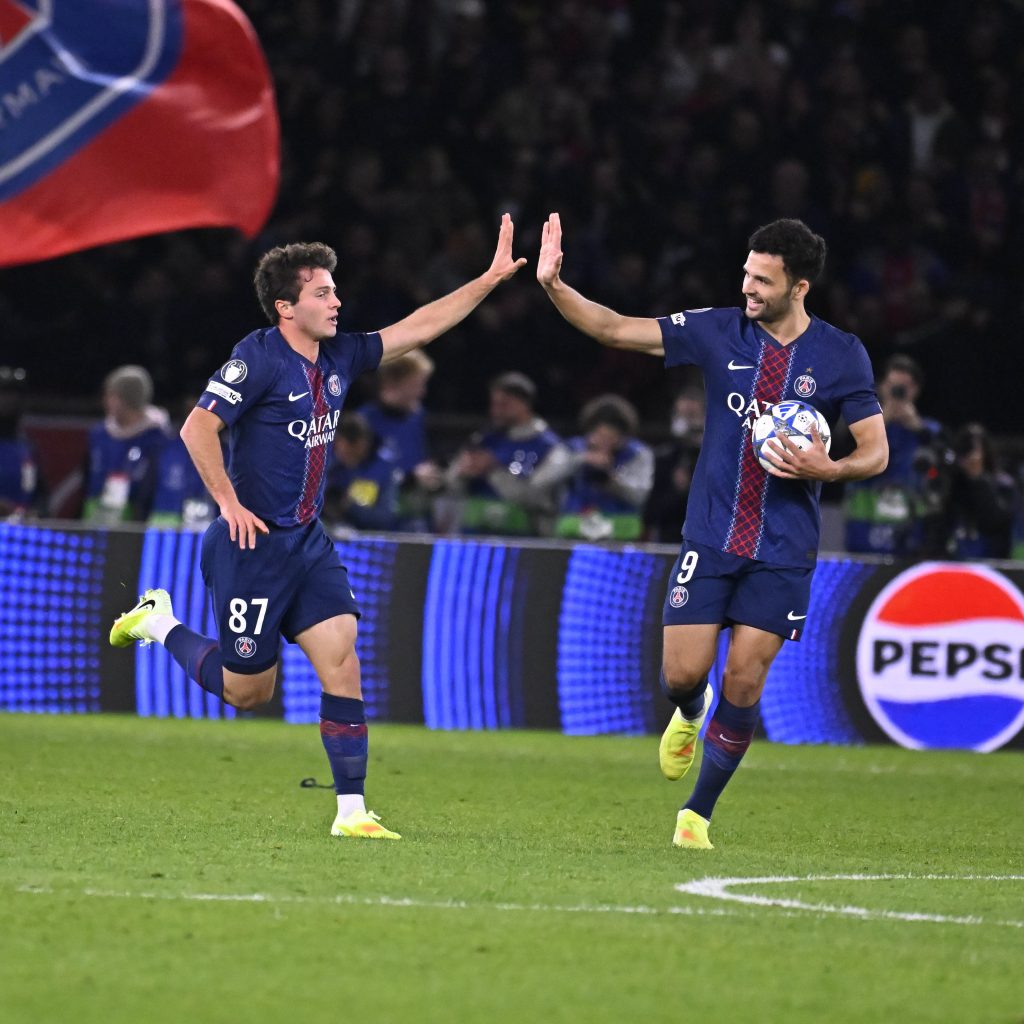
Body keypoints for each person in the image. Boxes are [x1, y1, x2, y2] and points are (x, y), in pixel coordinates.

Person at [110, 215, 527, 840]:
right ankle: (158, 622)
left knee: (342, 660)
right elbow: (198, 427)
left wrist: (490, 279)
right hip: (251, 547)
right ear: (286, 307)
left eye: (334, 290)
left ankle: (351, 812)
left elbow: (419, 327)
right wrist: (227, 504)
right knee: (248, 693)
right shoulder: (256, 358)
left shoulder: (339, 355)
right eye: (322, 293)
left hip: (305, 541)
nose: (337, 301)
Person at [536, 213, 888, 849]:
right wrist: (556, 285)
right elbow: (614, 329)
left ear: (799, 286)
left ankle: (696, 815)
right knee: (681, 674)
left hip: (783, 551)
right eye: (746, 275)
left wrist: (828, 466)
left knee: (746, 679)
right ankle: (689, 712)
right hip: (709, 540)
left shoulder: (841, 355)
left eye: (762, 280)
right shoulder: (717, 330)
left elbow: (877, 452)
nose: (747, 288)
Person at [843, 355, 947, 557]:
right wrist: (882, 422)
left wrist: (918, 429)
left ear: (915, 390)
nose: (898, 393)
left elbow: (945, 467)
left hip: (913, 540)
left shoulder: (930, 432)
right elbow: (843, 454)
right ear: (882, 387)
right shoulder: (861, 426)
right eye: (893, 387)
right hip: (864, 537)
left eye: (904, 388)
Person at [444, 371, 562, 536]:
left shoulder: (550, 447)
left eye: (504, 404)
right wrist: (462, 473)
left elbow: (535, 496)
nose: (496, 411)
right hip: (475, 536)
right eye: (494, 404)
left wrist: (493, 470)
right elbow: (451, 484)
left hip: (525, 538)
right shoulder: (483, 440)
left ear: (524, 404)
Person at [530, 394, 654, 542]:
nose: (604, 441)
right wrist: (581, 460)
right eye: (600, 435)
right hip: (574, 531)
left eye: (611, 437)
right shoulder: (572, 449)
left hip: (620, 534)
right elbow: (539, 481)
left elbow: (639, 495)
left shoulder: (637, 454)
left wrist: (610, 479)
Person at [358, 349, 443, 530]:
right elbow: (356, 485)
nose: (422, 392)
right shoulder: (364, 423)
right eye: (417, 384)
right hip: (374, 525)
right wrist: (407, 478)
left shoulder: (418, 418)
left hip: (413, 519)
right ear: (392, 382)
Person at [82, 365, 170, 524]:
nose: (105, 401)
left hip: (136, 527)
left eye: (110, 395)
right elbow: (87, 478)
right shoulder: (99, 435)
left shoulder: (157, 440)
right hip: (95, 522)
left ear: (125, 400)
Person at [943, 423, 1016, 560]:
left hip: (992, 562)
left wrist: (978, 478)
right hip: (954, 559)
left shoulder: (1003, 483)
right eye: (965, 448)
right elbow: (943, 519)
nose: (969, 454)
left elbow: (997, 521)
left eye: (973, 448)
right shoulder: (953, 483)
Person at [322, 412, 403, 534]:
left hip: (370, 540)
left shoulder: (384, 471)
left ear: (360, 444)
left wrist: (349, 506)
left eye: (343, 446)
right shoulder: (332, 469)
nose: (338, 451)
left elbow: (386, 518)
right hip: (331, 536)